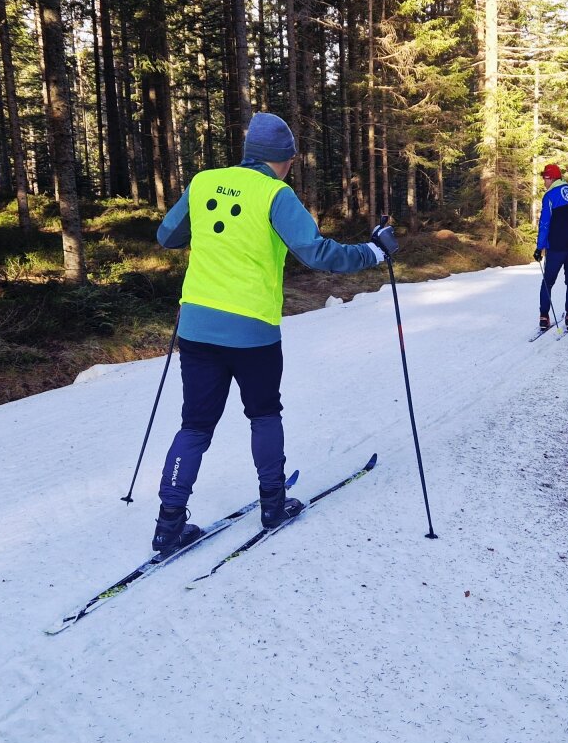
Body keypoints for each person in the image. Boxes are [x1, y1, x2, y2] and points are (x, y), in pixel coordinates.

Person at [150, 112, 399, 553]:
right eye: (291, 159)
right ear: (283, 159)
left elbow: (168, 236)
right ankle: (273, 504)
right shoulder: (276, 194)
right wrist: (374, 251)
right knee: (263, 414)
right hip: (253, 330)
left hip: (197, 326)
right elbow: (317, 253)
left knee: (195, 425)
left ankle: (168, 524)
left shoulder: (204, 182)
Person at [534, 163, 568, 331]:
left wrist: (539, 247)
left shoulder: (550, 196)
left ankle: (544, 317)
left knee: (548, 282)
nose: (544, 182)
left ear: (551, 178)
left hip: (555, 248)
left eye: (545, 178)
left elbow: (544, 224)